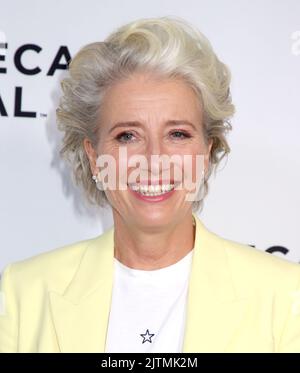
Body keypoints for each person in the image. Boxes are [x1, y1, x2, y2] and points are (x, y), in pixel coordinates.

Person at [1, 16, 300, 353]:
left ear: (206, 150)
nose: (155, 160)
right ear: (94, 155)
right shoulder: (24, 293)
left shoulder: (286, 297)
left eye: (177, 134)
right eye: (128, 135)